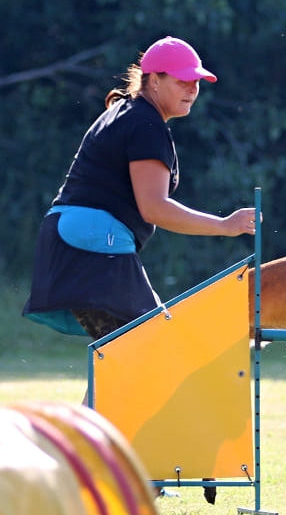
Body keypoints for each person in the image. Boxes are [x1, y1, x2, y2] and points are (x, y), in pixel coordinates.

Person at [23, 36, 257, 341]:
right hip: (92, 240)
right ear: (155, 81)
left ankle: (101, 391)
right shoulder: (145, 124)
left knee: (127, 356)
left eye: (196, 81)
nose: (192, 89)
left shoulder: (130, 113)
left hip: (74, 237)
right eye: (182, 80)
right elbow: (154, 207)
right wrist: (225, 225)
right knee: (149, 346)